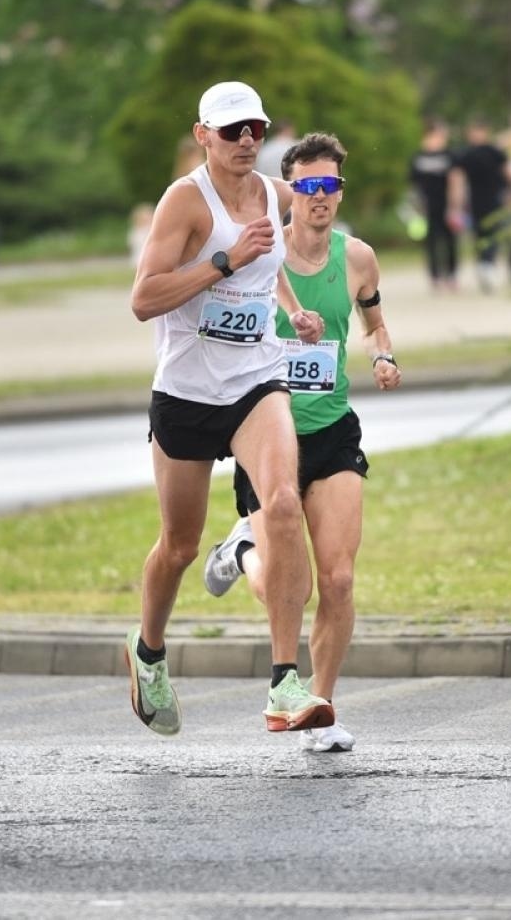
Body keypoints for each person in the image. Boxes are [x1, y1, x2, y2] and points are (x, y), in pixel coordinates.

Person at [127, 81, 331, 737]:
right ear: (203, 135)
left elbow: (265, 263)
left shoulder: (275, 193)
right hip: (186, 393)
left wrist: (292, 308)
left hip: (255, 381)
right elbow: (145, 298)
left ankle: (283, 683)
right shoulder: (185, 202)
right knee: (180, 546)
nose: (246, 140)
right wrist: (222, 259)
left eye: (256, 130)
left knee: (281, 504)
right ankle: (149, 651)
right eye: (232, 130)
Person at [203, 131, 400, 754]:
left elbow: (373, 318)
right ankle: (243, 553)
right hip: (267, 433)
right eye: (307, 186)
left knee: (338, 579)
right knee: (293, 585)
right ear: (290, 190)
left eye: (330, 186)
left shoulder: (359, 257)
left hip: (333, 429)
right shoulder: (262, 252)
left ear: (342, 191)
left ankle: (322, 705)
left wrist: (384, 356)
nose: (319, 197)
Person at [450, 117, 511, 291]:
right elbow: (458, 182)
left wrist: (456, 205)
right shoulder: (476, 154)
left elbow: (509, 176)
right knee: (491, 236)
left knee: (494, 236)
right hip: (484, 202)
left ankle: (495, 268)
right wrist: (456, 206)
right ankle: (491, 268)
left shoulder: (482, 153)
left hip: (495, 201)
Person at [409, 120, 459, 291]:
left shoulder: (449, 155)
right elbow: (413, 184)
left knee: (450, 239)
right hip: (427, 206)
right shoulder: (419, 157)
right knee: (431, 241)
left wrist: (455, 204)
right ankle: (435, 275)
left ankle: (452, 274)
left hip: (447, 203)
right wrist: (416, 206)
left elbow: (456, 179)